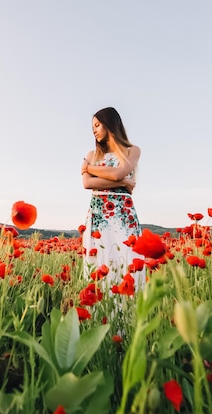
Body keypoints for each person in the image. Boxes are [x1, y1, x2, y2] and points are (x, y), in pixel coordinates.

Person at [80, 107, 145, 292]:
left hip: (124, 217)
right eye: (92, 126)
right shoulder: (93, 154)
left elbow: (118, 172)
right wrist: (123, 180)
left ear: (110, 125)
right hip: (99, 217)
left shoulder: (132, 151)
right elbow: (87, 183)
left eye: (98, 125)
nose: (94, 130)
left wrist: (89, 168)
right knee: (100, 264)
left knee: (127, 262)